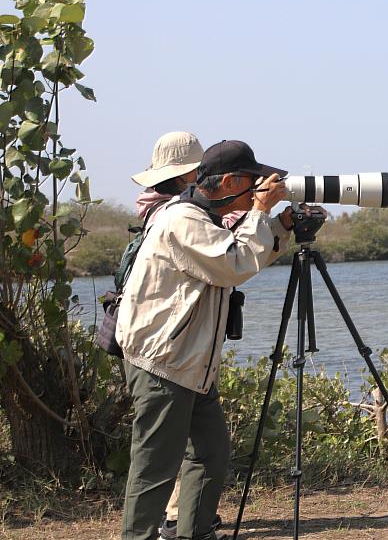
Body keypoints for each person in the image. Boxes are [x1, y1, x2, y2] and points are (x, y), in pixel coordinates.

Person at [117, 139, 295, 540]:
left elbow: (235, 257)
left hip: (190, 361)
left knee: (211, 454)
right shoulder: (183, 219)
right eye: (253, 184)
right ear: (230, 181)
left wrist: (279, 229)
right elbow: (233, 264)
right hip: (163, 360)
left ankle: (194, 533)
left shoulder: (203, 217)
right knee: (155, 466)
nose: (258, 191)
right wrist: (262, 212)